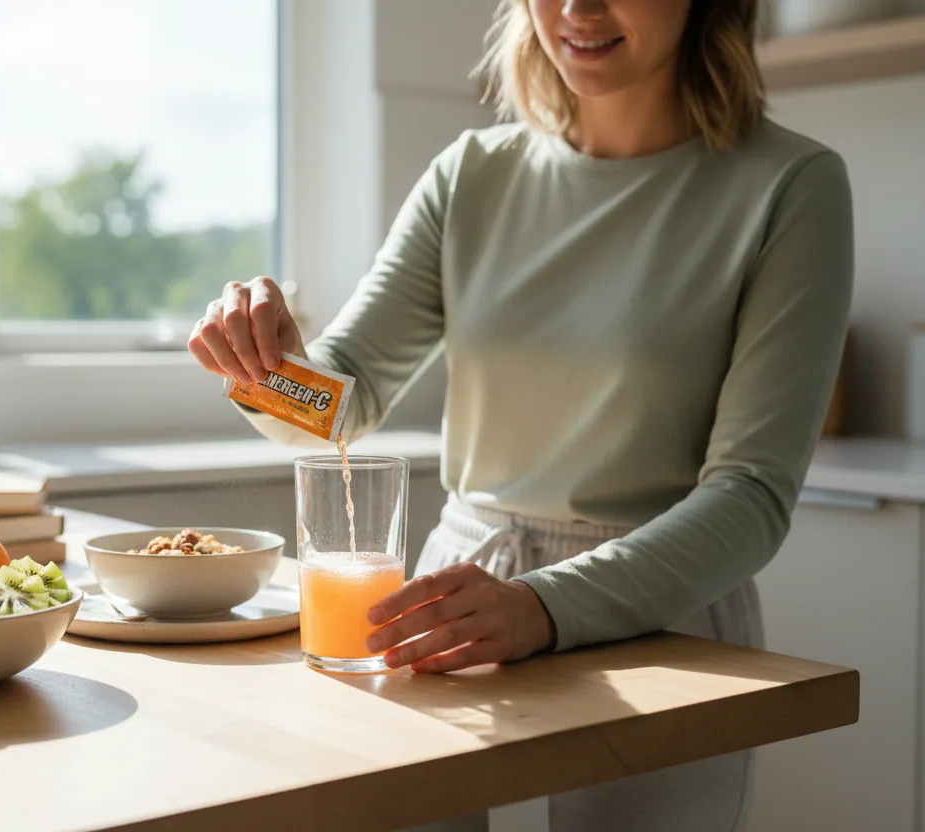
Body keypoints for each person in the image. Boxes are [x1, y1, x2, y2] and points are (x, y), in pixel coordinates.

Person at [189, 0, 853, 828]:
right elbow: (344, 395)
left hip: (661, 610)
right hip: (456, 596)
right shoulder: (472, 174)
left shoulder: (789, 186)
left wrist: (542, 606)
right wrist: (263, 366)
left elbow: (751, 494)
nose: (577, 8)